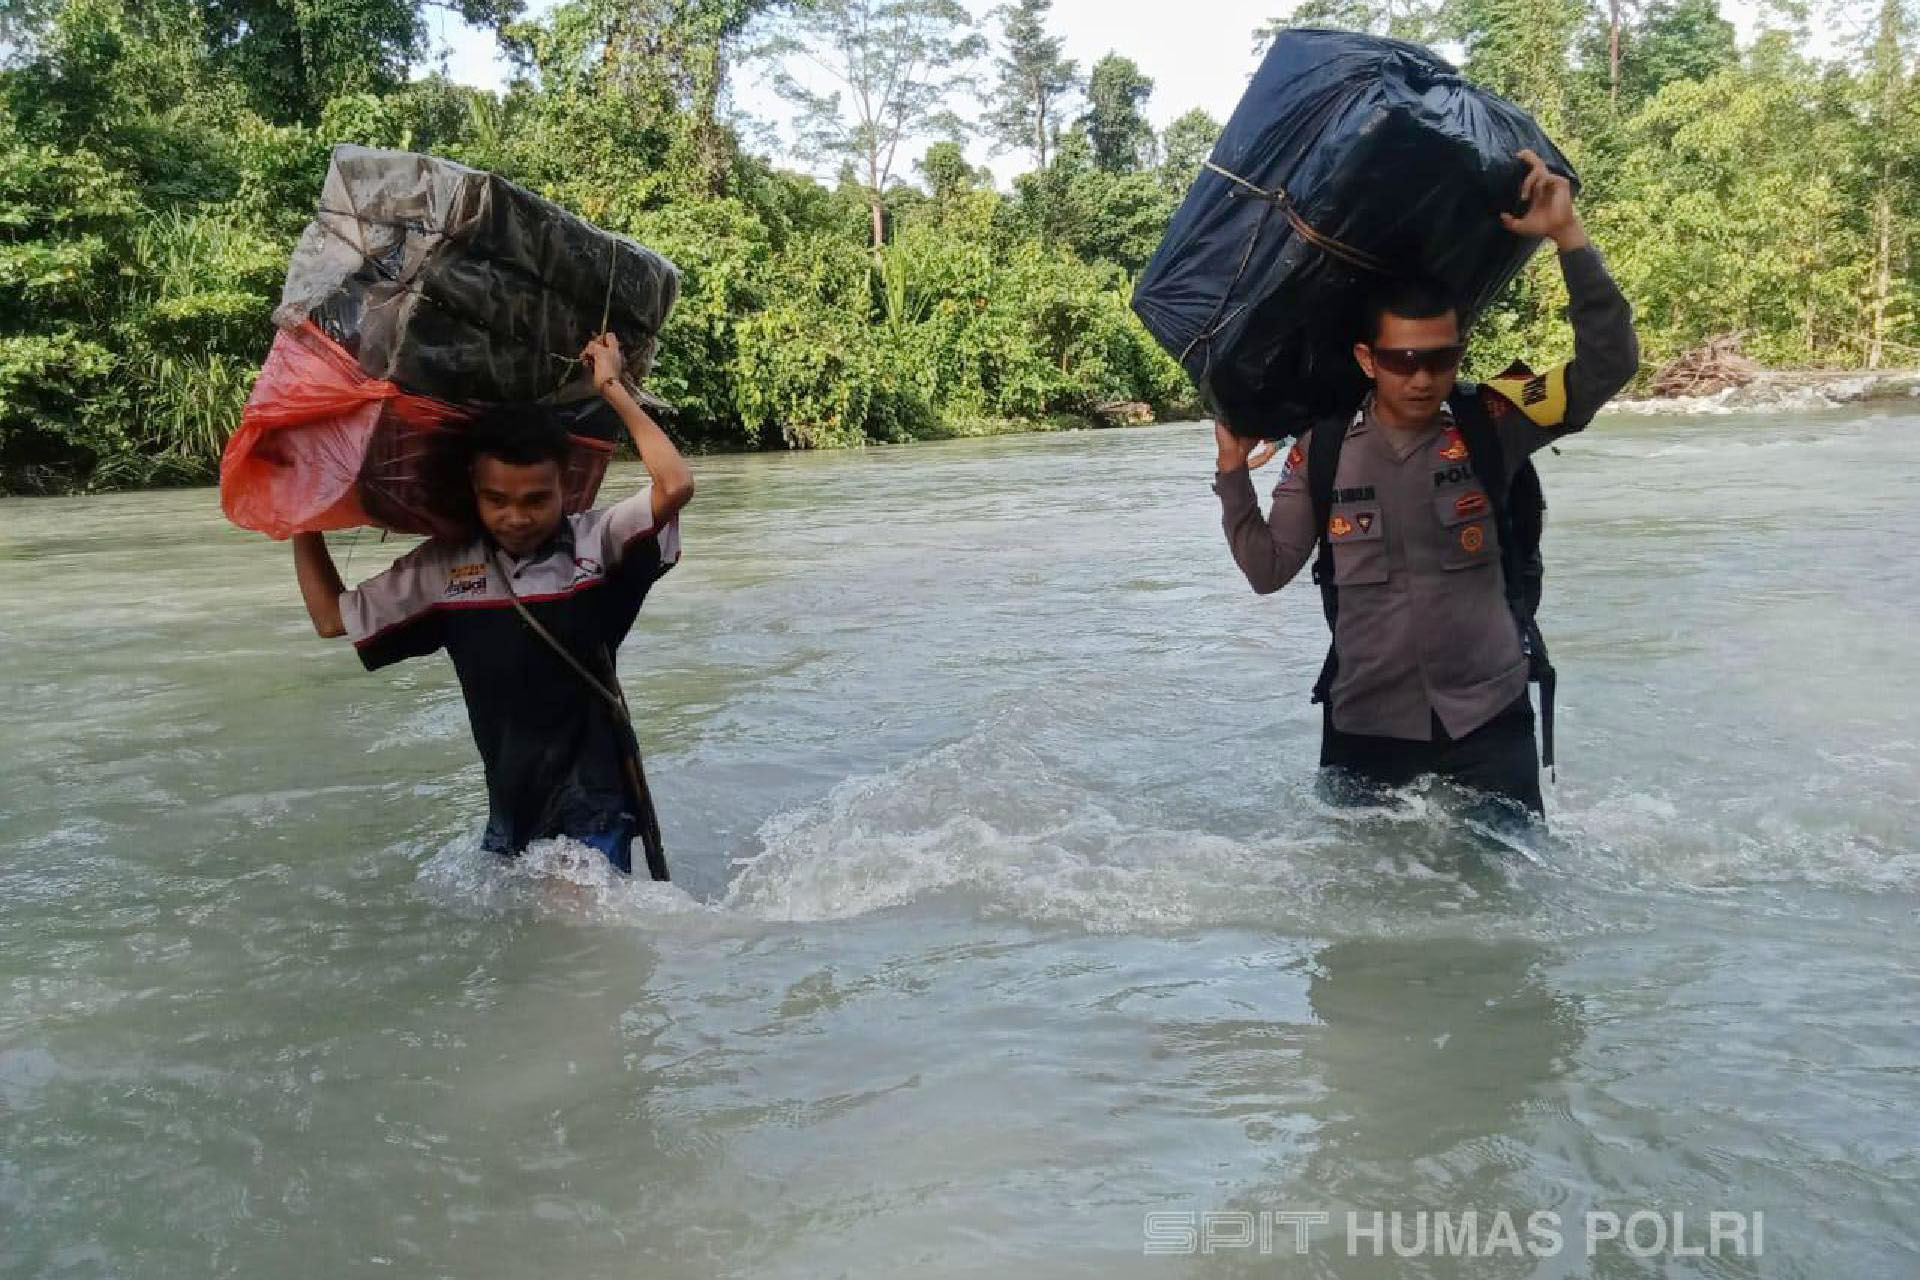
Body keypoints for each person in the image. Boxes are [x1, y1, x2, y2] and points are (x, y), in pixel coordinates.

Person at [1212, 150, 1638, 819]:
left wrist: (1568, 236)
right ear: (1367, 359)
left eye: (1439, 358)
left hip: (1489, 722)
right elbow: (1267, 569)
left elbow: (1607, 364)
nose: (1421, 377)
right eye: (1401, 360)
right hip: (1366, 731)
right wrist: (1232, 473)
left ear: (1460, 351)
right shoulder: (1323, 450)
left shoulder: (1492, 420)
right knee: (1362, 913)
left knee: (1508, 906)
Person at [291, 333, 694, 875]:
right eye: (497, 500)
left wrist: (612, 388)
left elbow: (674, 484)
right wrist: (301, 520)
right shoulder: (442, 570)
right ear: (473, 493)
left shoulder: (596, 546)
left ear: (565, 488)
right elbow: (329, 618)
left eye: (536, 499)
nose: (516, 517)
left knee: (575, 939)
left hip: (595, 801)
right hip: (511, 813)